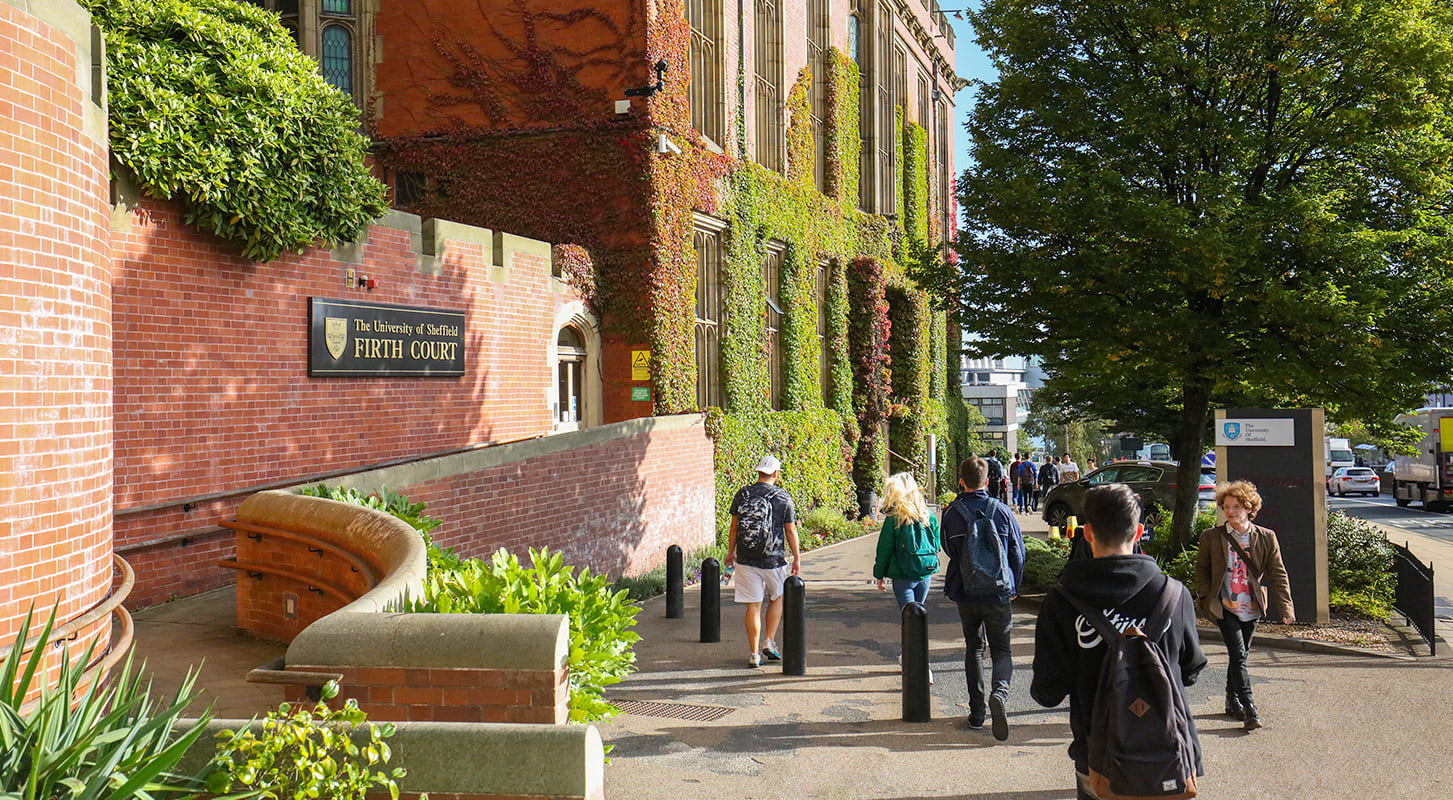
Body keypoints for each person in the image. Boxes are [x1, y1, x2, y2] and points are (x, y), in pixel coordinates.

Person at [1031, 484, 1206, 799]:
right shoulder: (1175, 595)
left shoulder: (1061, 601)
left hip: (1098, 759)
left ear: (1087, 533)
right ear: (1139, 531)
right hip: (1168, 755)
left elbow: (1048, 692)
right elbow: (1191, 670)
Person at [1194, 480, 1295, 730]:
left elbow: (1277, 574)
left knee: (1240, 656)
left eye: (1237, 506)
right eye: (1226, 506)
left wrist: (1286, 609)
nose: (1230, 511)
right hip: (1224, 605)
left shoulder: (1266, 537)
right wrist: (1207, 597)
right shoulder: (1211, 537)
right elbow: (1202, 570)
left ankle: (1231, 701)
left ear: (1249, 508)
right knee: (1238, 655)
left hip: (1251, 607)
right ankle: (1249, 707)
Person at [943, 455, 1025, 740]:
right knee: (1002, 650)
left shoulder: (951, 513)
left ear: (961, 481)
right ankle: (1000, 693)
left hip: (966, 591)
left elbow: (949, 550)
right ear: (987, 481)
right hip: (998, 591)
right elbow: (1017, 552)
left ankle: (977, 714)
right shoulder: (1002, 511)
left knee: (974, 649)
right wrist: (1014, 584)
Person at [724, 455, 801, 668]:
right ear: (775, 473)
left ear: (759, 472)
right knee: (777, 597)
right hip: (774, 559)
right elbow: (790, 530)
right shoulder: (783, 497)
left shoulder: (743, 494)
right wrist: (796, 556)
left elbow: (734, 528)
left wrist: (731, 552)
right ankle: (769, 640)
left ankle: (754, 653)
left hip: (747, 559)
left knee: (753, 605)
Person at [872, 472, 941, 681]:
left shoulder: (895, 518)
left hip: (903, 575)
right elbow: (936, 544)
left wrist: (879, 574)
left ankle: (921, 665)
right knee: (918, 617)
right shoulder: (927, 515)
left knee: (909, 620)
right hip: (925, 573)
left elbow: (884, 549)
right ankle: (909, 657)